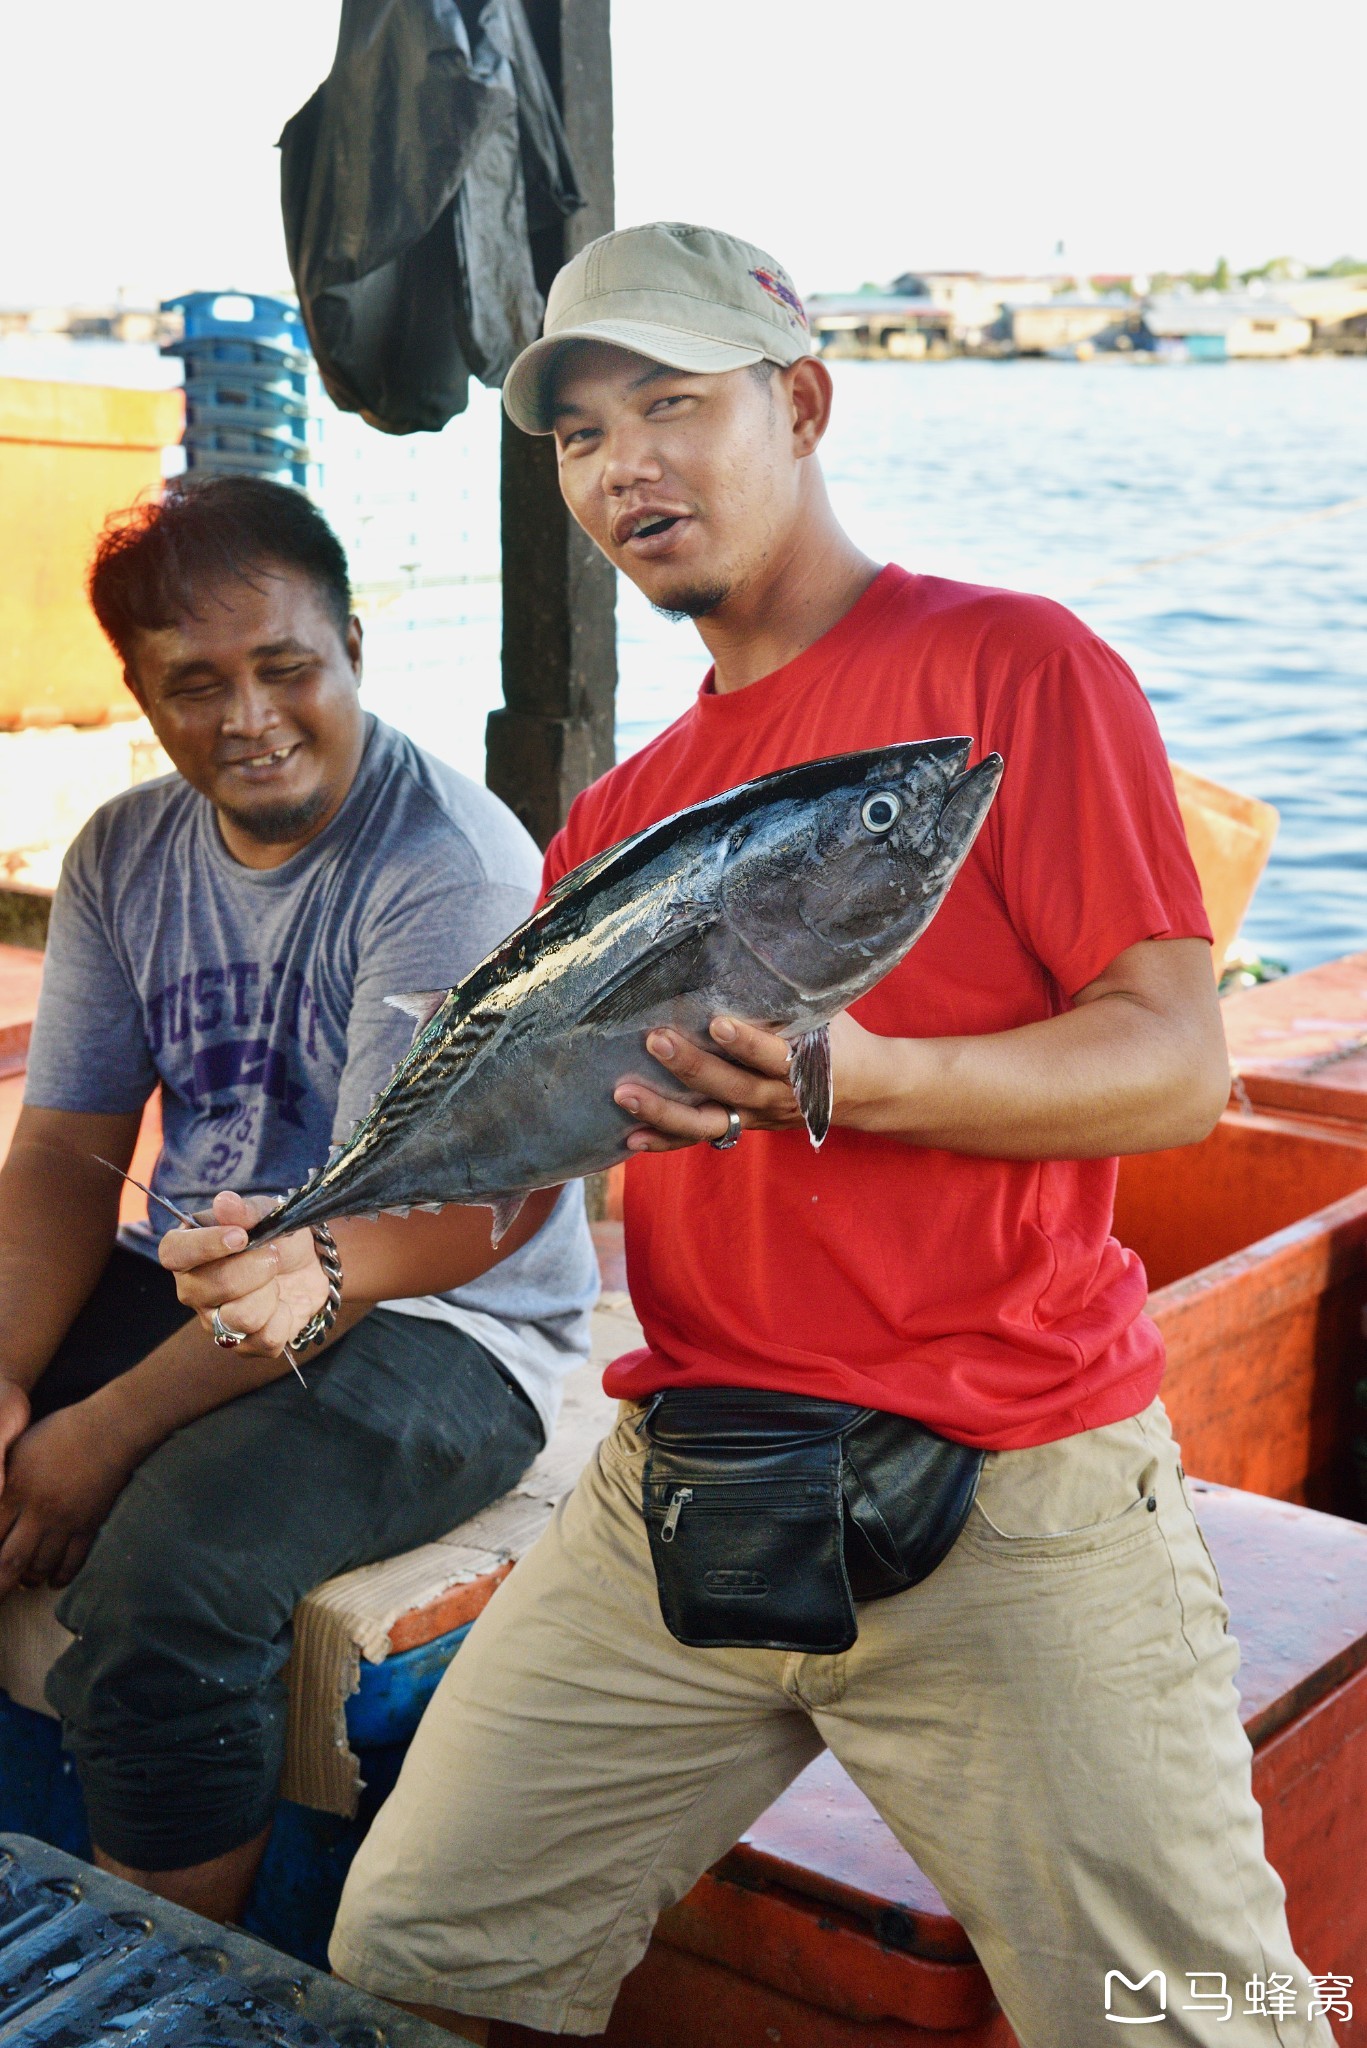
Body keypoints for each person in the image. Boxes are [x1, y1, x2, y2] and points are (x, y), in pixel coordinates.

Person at [172, 226, 1335, 2046]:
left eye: (673, 406)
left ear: (802, 403)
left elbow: (1175, 1065)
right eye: (576, 438)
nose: (625, 464)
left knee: (1194, 2024)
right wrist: (318, 1249)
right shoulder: (626, 818)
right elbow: (514, 1181)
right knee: (422, 1942)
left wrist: (857, 1079)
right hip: (686, 1484)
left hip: (1008, 1486)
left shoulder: (1015, 677)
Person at [0, 475, 598, 1926]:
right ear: (139, 693)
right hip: (212, 1272)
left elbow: (417, 1228)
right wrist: (7, 1376)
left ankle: (169, 1979)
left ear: (352, 657)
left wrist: (93, 1434)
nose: (247, 716)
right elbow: (71, 1151)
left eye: (284, 668)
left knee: (168, 1601)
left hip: (435, 1310)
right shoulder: (123, 854)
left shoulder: (444, 865)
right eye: (192, 683)